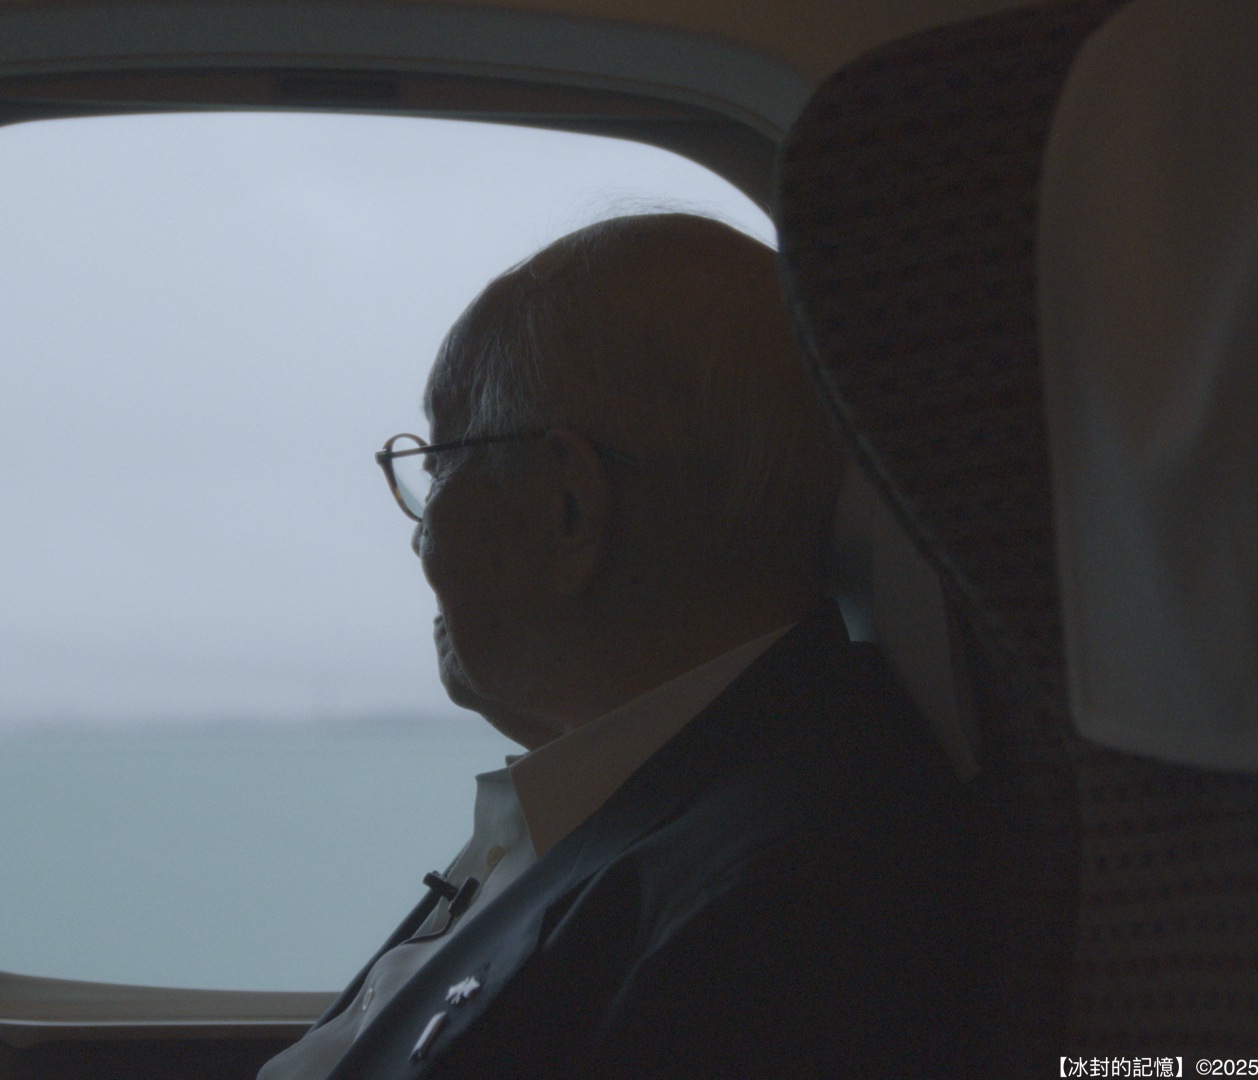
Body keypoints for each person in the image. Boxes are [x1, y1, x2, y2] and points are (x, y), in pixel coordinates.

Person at [259, 213, 968, 1080]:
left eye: (439, 467)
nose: (419, 535)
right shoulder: (652, 794)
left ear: (569, 506)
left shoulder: (773, 910)